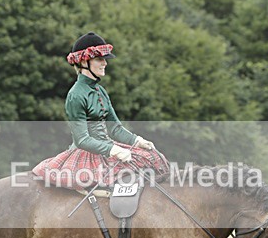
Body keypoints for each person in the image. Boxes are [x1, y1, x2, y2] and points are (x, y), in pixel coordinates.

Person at [33, 32, 168, 190]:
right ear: (84, 61)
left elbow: (115, 128)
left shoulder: (100, 91)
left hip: (108, 147)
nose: (105, 63)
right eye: (99, 59)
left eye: (104, 59)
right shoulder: (75, 95)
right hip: (87, 154)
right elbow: (81, 140)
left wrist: (137, 140)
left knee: (153, 157)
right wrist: (113, 150)